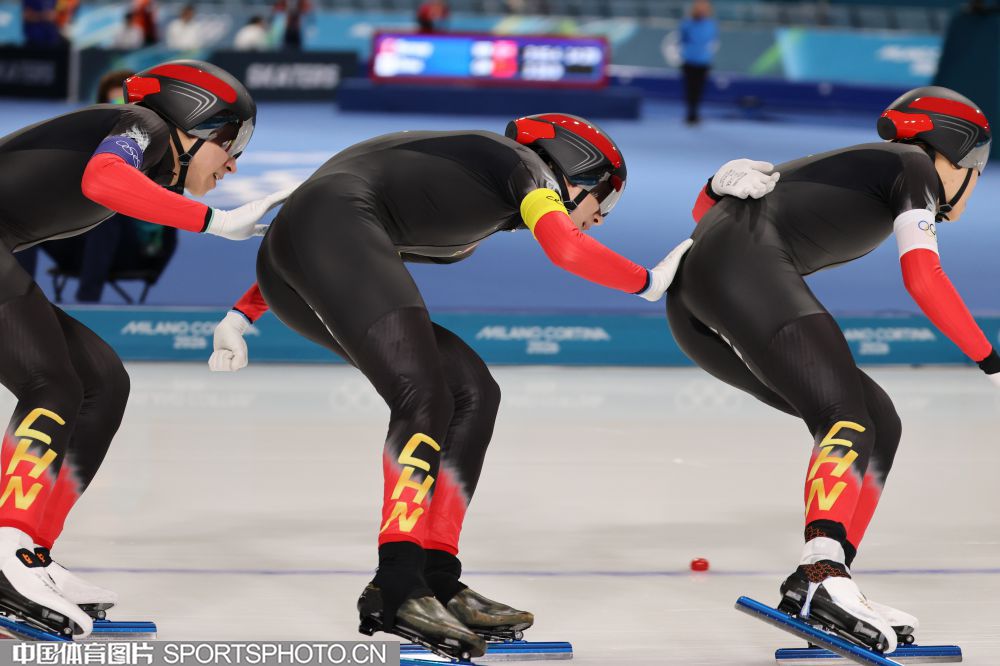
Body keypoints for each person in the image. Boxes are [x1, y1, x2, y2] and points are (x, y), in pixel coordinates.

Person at [207, 114, 776, 659]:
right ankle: (396, 584)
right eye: (604, 201)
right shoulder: (522, 168)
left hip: (298, 263)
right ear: (575, 171)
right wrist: (646, 281)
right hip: (313, 244)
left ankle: (435, 575)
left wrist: (243, 312)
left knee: (473, 391)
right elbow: (565, 248)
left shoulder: (480, 192)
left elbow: (331, 247)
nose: (601, 219)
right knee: (425, 393)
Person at [670, 86, 994, 655]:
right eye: (978, 164)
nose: (977, 178)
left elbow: (711, 217)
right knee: (846, 417)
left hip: (701, 301)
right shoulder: (914, 166)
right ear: (954, 151)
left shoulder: (877, 169)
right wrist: (991, 361)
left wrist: (711, 191)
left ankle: (823, 580)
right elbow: (923, 278)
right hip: (738, 279)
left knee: (878, 421)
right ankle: (822, 575)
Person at [0, 59, 291, 638]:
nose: (234, 164)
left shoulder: (145, 151)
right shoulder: (145, 126)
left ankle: (28, 549)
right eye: (230, 144)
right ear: (191, 122)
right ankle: (6, 549)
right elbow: (102, 180)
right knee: (51, 383)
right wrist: (214, 221)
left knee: (102, 383)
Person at [679, 0, 718, 125]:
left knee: (699, 89)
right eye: (699, 9)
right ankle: (690, 114)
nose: (701, 11)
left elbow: (711, 40)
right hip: (689, 60)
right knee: (690, 88)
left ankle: (695, 113)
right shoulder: (687, 24)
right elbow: (683, 39)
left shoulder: (711, 25)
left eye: (704, 9)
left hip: (703, 61)